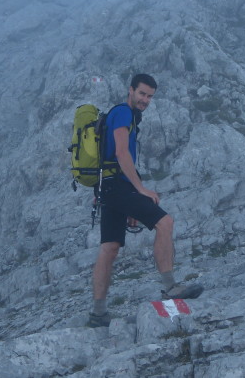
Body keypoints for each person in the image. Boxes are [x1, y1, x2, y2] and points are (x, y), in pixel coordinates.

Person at [87, 73, 203, 328]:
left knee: (110, 247)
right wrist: (139, 189)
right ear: (131, 91)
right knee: (165, 222)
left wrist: (130, 196)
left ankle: (98, 314)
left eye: (150, 96)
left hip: (108, 188)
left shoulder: (126, 116)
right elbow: (120, 152)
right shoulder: (122, 113)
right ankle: (171, 286)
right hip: (116, 186)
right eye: (142, 94)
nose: (145, 100)